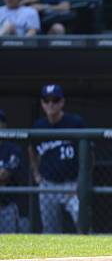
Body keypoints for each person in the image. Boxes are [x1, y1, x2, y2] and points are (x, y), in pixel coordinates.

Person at [29, 85, 84, 233]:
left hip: (71, 183)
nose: (51, 104)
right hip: (48, 184)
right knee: (50, 230)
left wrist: (80, 182)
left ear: (62, 102)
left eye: (55, 100)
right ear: (42, 103)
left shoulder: (75, 123)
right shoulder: (38, 126)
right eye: (46, 100)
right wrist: (36, 174)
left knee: (82, 222)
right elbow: (31, 149)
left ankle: (90, 254)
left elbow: (88, 155)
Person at [0, 110, 24, 233]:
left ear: (4, 125)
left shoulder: (13, 149)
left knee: (8, 244)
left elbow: (5, 174)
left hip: (6, 207)